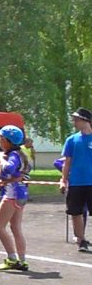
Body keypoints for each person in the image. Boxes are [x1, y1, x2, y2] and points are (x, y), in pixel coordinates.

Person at [0, 125, 31, 270]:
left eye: (0, 138)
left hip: (12, 195)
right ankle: (22, 260)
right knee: (15, 227)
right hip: (21, 193)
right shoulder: (20, 153)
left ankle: (12, 258)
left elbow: (9, 168)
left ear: (6, 140)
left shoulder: (13, 155)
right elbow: (25, 172)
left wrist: (1, 159)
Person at [60, 107, 92, 253]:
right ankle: (81, 240)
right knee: (76, 212)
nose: (74, 122)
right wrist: (63, 180)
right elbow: (67, 162)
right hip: (76, 182)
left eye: (76, 120)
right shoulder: (71, 140)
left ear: (86, 121)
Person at [55, 156, 87, 237]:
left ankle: (81, 234)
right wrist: (68, 173)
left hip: (87, 184)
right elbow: (57, 162)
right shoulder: (74, 155)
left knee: (83, 211)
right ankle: (79, 236)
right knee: (79, 211)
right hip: (76, 186)